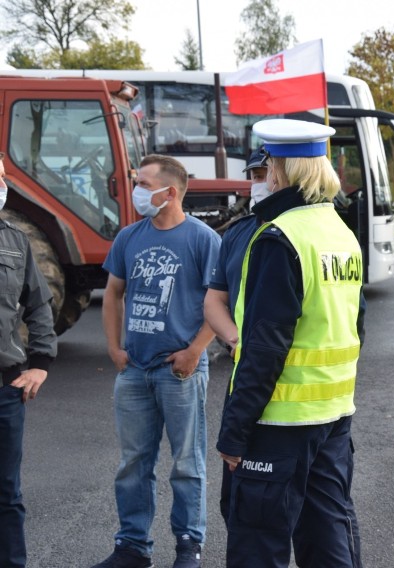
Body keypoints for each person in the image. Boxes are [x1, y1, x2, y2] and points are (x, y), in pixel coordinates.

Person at [217, 119, 365, 568]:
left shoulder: (279, 237)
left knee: (258, 544)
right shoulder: (340, 232)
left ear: (282, 170)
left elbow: (264, 347)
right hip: (333, 416)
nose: (265, 175)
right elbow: (355, 324)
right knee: (327, 540)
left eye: (268, 166)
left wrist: (234, 432)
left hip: (278, 420)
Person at [95, 154, 220, 568]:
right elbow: (113, 293)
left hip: (179, 370)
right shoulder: (129, 237)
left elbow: (221, 303)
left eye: (144, 183)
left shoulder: (203, 239)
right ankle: (133, 547)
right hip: (135, 370)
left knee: (186, 463)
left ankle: (188, 545)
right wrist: (115, 348)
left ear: (170, 192)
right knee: (133, 463)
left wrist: (196, 349)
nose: (137, 190)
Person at [0, 151, 58, 568]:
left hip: (5, 387)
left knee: (6, 493)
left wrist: (40, 361)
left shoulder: (15, 241)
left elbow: (39, 305)